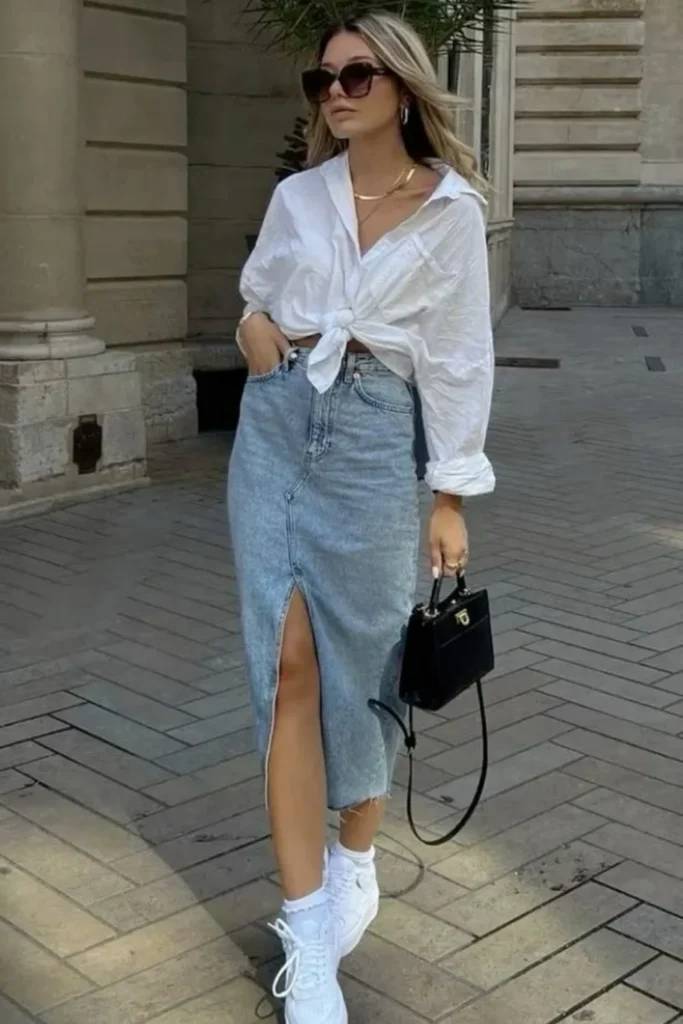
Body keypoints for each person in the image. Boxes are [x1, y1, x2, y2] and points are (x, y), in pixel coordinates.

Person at [228, 10, 495, 1023]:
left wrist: (448, 494)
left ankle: (353, 859)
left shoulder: (451, 212)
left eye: (354, 76)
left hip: (382, 437)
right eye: (322, 79)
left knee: (368, 665)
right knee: (284, 663)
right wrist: (253, 329)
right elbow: (255, 294)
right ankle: (308, 932)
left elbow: (460, 355)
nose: (333, 92)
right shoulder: (297, 195)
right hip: (275, 431)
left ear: (401, 88)